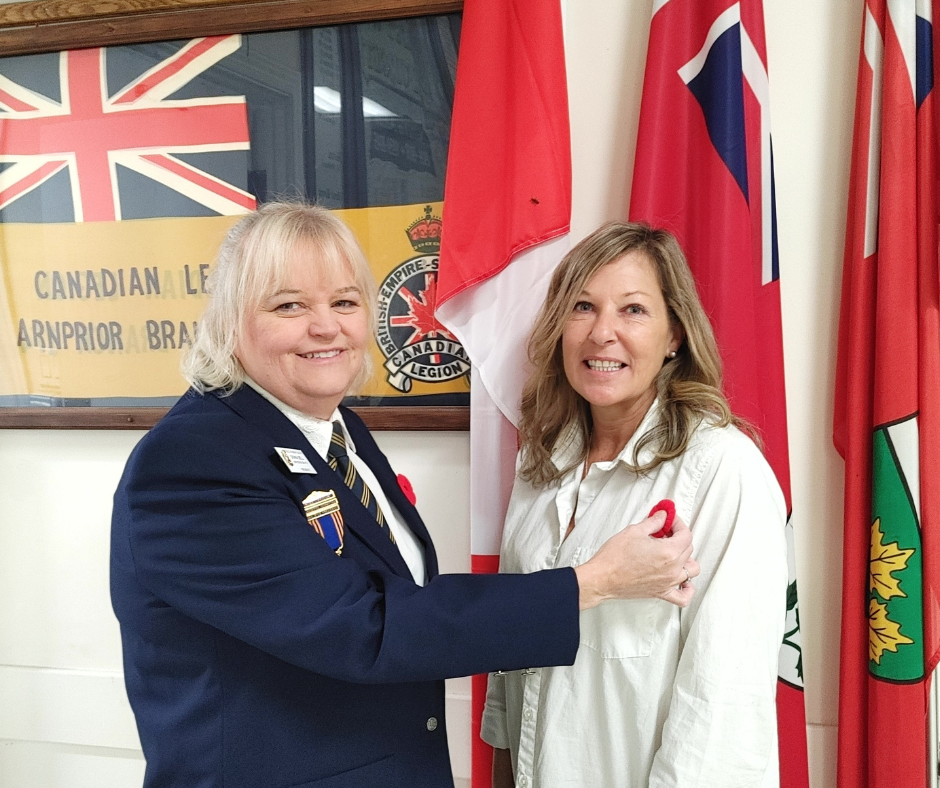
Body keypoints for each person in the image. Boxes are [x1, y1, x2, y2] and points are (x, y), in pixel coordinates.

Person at [110, 203, 701, 788]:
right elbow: (361, 628)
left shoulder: (337, 430)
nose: (326, 326)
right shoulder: (192, 464)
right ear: (232, 322)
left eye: (344, 302)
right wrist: (592, 582)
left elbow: (398, 594)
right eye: (289, 305)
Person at [482, 222, 789, 788]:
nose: (603, 333)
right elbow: (512, 675)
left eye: (633, 310)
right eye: (583, 307)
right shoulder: (540, 467)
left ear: (675, 333)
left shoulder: (723, 469)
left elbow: (722, 709)